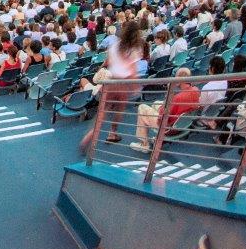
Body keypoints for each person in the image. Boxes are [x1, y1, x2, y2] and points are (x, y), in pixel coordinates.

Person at [80, 18, 145, 151]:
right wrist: (136, 86)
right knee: (119, 109)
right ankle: (112, 133)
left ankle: (90, 135)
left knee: (103, 111)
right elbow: (132, 69)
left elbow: (108, 62)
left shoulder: (115, 45)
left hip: (111, 81)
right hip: (123, 83)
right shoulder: (135, 49)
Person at [130, 67, 200, 152]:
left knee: (142, 107)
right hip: (183, 124)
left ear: (180, 79)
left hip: (169, 128)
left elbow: (162, 118)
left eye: (176, 77)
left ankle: (144, 144)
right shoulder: (196, 90)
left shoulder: (177, 98)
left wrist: (168, 93)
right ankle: (158, 139)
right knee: (156, 103)